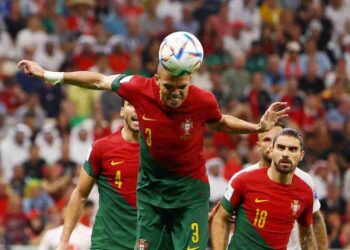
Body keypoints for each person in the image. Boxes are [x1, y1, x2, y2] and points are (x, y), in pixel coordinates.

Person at [18, 53, 289, 249]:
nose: (175, 94)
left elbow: (220, 122)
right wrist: (50, 75)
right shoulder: (138, 89)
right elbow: (99, 80)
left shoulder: (202, 99)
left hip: (189, 192)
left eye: (181, 88)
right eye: (169, 87)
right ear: (157, 79)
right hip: (151, 193)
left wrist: (257, 127)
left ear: (191, 80)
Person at [211, 128, 317, 249]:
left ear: (301, 155)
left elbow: (306, 236)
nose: (286, 154)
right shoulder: (244, 180)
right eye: (281, 147)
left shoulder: (305, 192)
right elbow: (220, 218)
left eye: (292, 149)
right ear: (272, 150)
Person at [56, 100, 140, 250]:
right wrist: (64, 241)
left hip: (147, 241)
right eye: (132, 105)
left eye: (143, 105)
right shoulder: (102, 147)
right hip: (107, 243)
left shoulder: (160, 151)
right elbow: (80, 193)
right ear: (122, 111)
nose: (137, 110)